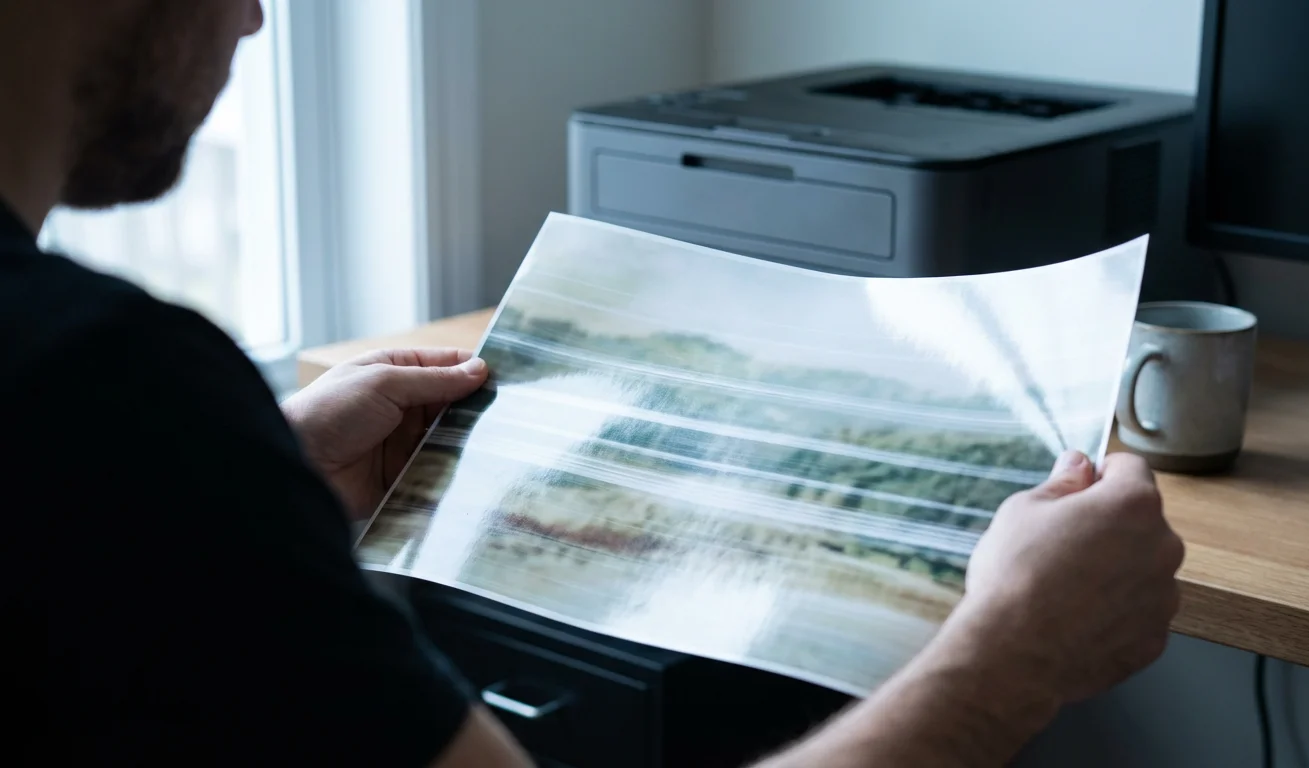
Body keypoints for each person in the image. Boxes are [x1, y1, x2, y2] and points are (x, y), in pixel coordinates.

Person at [2, 1, 1184, 765]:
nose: (256, 17)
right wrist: (1011, 657)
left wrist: (266, 487)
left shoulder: (103, 406)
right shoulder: (105, 392)